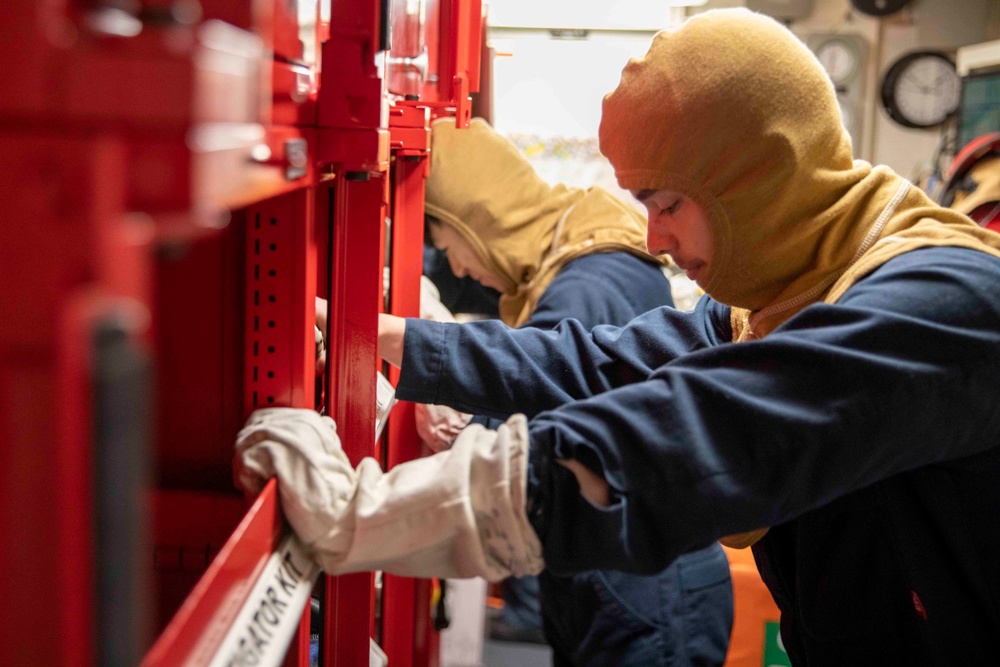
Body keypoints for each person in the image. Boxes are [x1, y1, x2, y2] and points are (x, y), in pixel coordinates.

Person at [236, 8, 1000, 665]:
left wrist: (360, 516)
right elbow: (604, 361)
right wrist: (390, 340)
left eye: (668, 202)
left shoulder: (941, 306)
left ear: (757, 178)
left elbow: (695, 435)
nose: (655, 237)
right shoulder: (780, 295)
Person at [412, 117, 733, 665]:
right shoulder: (578, 255)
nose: (459, 266)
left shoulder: (588, 285)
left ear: (482, 222)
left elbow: (537, 398)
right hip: (625, 577)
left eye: (450, 245)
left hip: (641, 589)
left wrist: (462, 427)